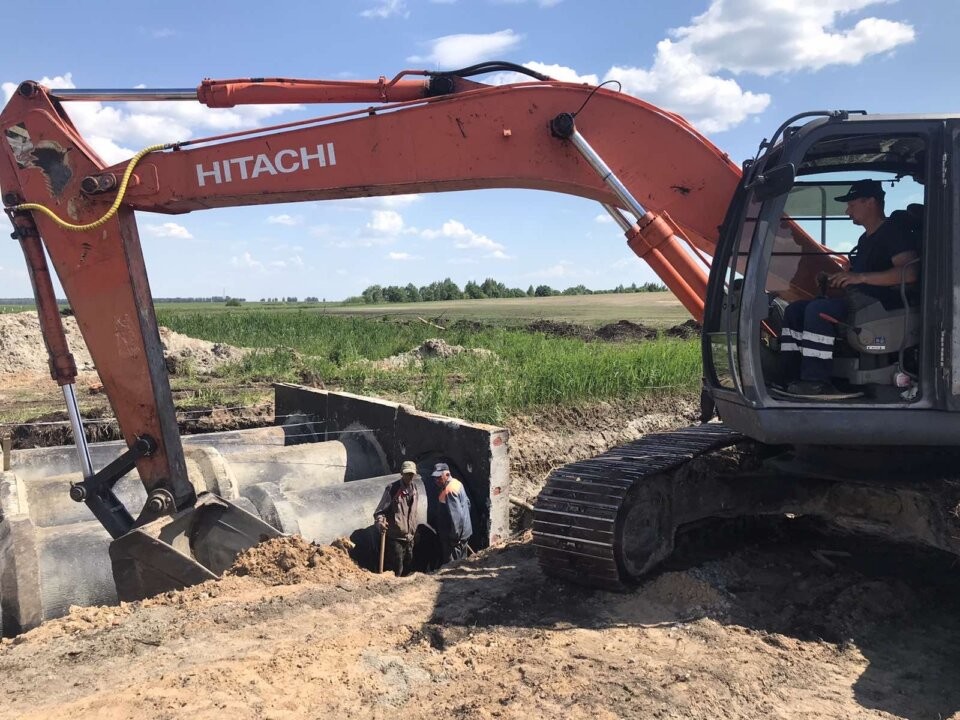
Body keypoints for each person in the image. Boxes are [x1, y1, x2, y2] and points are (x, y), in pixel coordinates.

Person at [779, 179, 920, 396]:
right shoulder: (865, 239)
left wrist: (861, 277)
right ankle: (790, 376)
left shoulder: (894, 232)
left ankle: (817, 381)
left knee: (818, 311)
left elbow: (909, 273)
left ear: (870, 202)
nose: (847, 210)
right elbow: (856, 279)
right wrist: (837, 279)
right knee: (794, 310)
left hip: (883, 307)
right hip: (861, 304)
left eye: (852, 205)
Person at [373, 460, 422, 576]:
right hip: (396, 538)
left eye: (412, 474)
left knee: (408, 566)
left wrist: (416, 531)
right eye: (407, 474)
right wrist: (380, 522)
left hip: (410, 537)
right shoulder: (393, 489)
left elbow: (413, 512)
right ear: (401, 473)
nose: (409, 476)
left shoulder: (415, 489)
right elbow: (380, 512)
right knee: (397, 569)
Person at [431, 462, 473, 563]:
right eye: (435, 478)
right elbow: (467, 504)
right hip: (464, 533)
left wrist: (454, 538)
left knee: (453, 565)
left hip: (454, 539)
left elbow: (456, 518)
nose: (436, 480)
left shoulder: (449, 491)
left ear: (447, 475)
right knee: (462, 561)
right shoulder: (457, 483)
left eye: (439, 477)